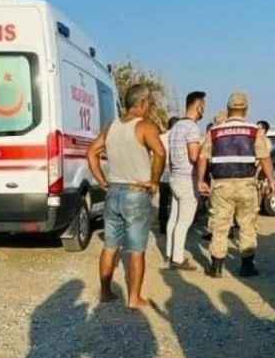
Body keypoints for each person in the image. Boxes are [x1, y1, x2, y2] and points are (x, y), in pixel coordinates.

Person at [87, 84, 166, 309]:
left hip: (113, 192)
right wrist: (154, 181)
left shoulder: (111, 127)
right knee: (136, 249)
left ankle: (105, 292)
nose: (150, 107)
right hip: (136, 192)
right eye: (149, 103)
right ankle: (134, 298)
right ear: (141, 103)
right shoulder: (145, 126)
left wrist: (102, 181)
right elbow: (160, 152)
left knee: (110, 246)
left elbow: (91, 152)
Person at [197, 92, 275, 278]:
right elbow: (264, 157)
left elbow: (203, 157)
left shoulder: (215, 131)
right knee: (247, 224)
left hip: (221, 185)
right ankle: (247, 266)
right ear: (246, 109)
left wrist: (200, 180)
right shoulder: (254, 130)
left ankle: (216, 267)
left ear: (228, 109)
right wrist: (271, 180)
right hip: (246, 184)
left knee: (220, 225)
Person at [165, 91, 207, 270]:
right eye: (204, 105)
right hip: (187, 178)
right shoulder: (192, 128)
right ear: (198, 106)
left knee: (173, 219)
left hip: (174, 177)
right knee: (184, 221)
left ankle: (169, 252)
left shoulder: (176, 127)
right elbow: (193, 155)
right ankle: (178, 259)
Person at [159, 117, 181, 234]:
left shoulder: (160, 137)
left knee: (163, 200)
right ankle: (174, 225)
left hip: (162, 171)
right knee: (175, 201)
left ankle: (163, 225)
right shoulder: (179, 137)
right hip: (176, 171)